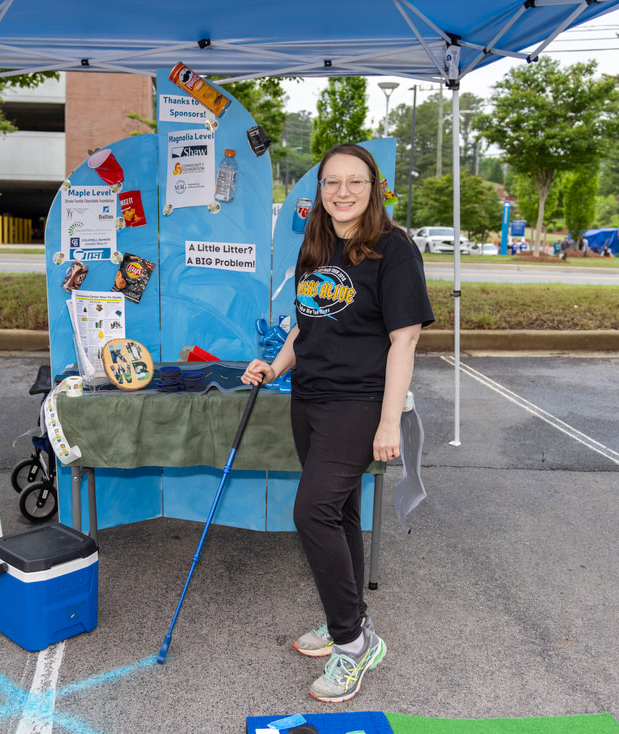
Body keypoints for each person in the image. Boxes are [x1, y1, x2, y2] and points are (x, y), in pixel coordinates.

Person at [242, 143, 434, 703]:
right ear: (320, 190)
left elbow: (405, 341)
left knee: (312, 512)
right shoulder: (318, 243)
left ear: (374, 189)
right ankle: (346, 615)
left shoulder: (395, 249)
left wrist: (389, 422)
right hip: (310, 398)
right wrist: (274, 366)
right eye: (332, 182)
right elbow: (307, 322)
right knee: (341, 512)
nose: (342, 192)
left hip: (360, 402)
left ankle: (353, 644)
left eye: (355, 181)